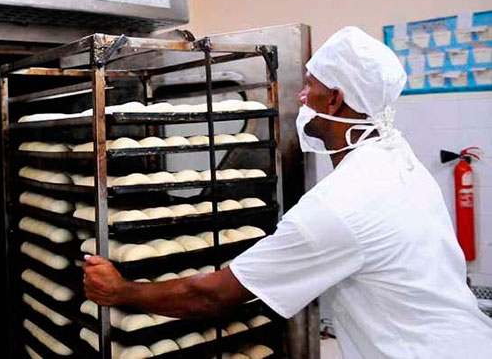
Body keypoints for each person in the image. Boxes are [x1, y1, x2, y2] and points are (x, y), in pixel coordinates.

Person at [82, 26, 492, 358]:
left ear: (334, 99)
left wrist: (122, 291)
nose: (301, 95)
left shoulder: (339, 205)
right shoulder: (399, 159)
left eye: (310, 85)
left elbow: (212, 297)